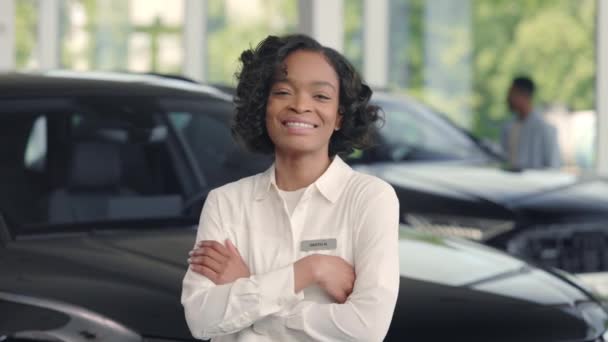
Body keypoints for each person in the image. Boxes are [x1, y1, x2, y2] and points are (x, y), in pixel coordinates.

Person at [181, 34, 399, 341]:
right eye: (283, 92)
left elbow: (365, 328)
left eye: (320, 97)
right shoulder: (225, 202)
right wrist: (309, 270)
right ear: (263, 106)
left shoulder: (370, 198)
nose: (300, 106)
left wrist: (250, 286)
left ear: (339, 116)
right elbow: (201, 318)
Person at [500, 76, 561, 169]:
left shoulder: (545, 129)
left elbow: (553, 166)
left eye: (511, 94)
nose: (507, 98)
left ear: (523, 95)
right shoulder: (508, 127)